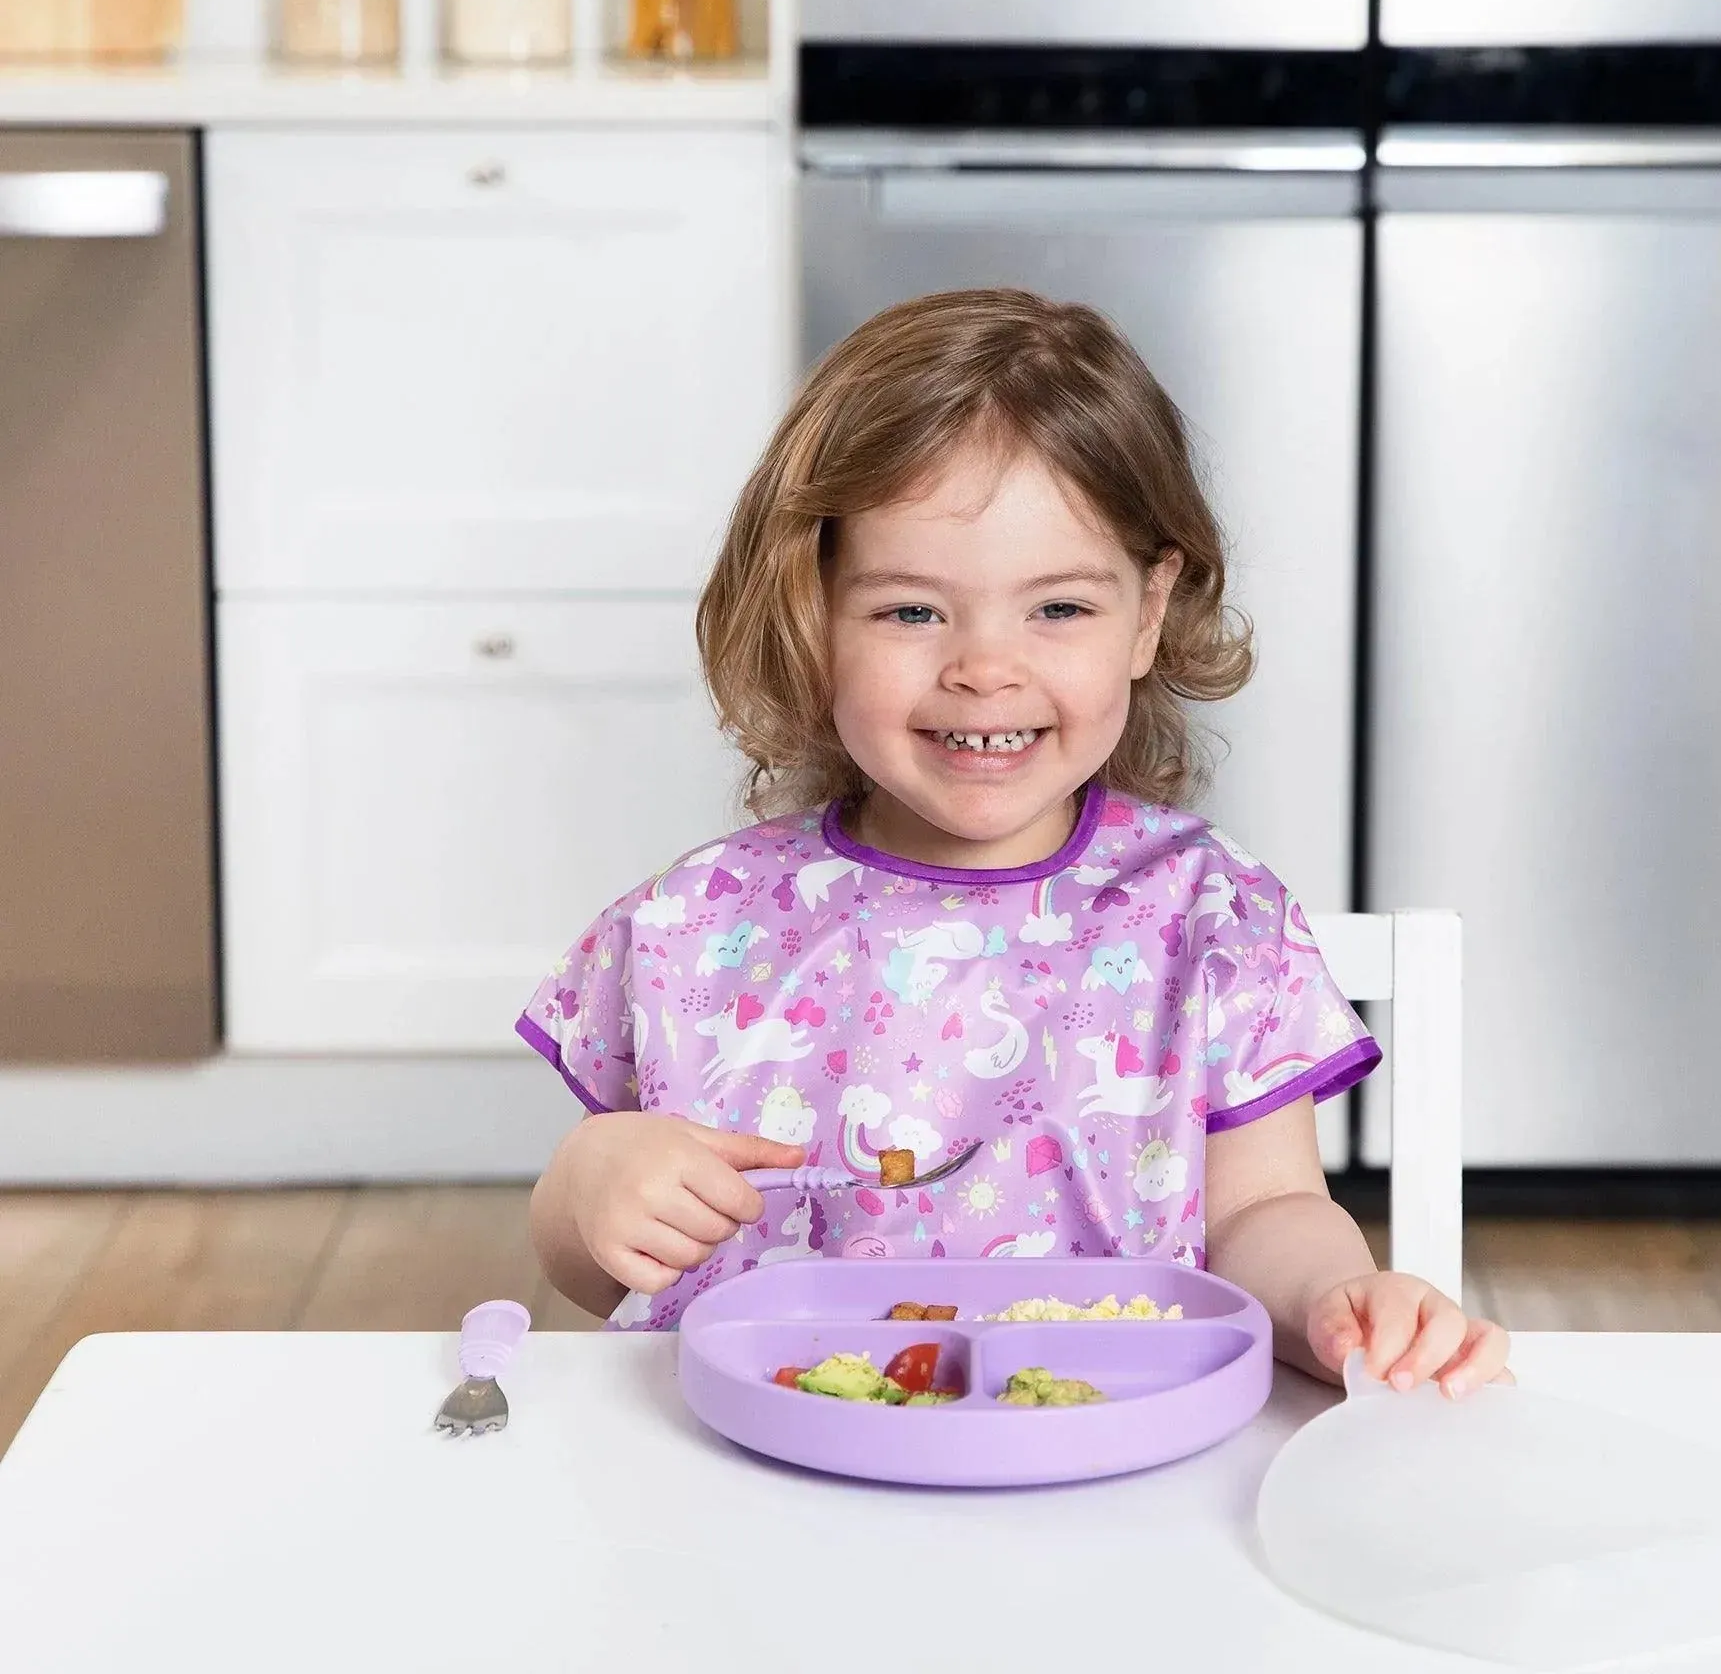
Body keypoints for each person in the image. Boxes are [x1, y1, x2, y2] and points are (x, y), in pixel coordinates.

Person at [521, 288, 1509, 1397]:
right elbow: (595, 1271)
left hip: (1110, 1454)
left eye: (1057, 610)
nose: (984, 667)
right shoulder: (695, 925)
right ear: (811, 612)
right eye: (910, 611)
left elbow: (1262, 1212)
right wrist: (584, 1184)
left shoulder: (1208, 916)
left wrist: (1332, 1300)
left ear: (1147, 611)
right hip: (761, 1470)